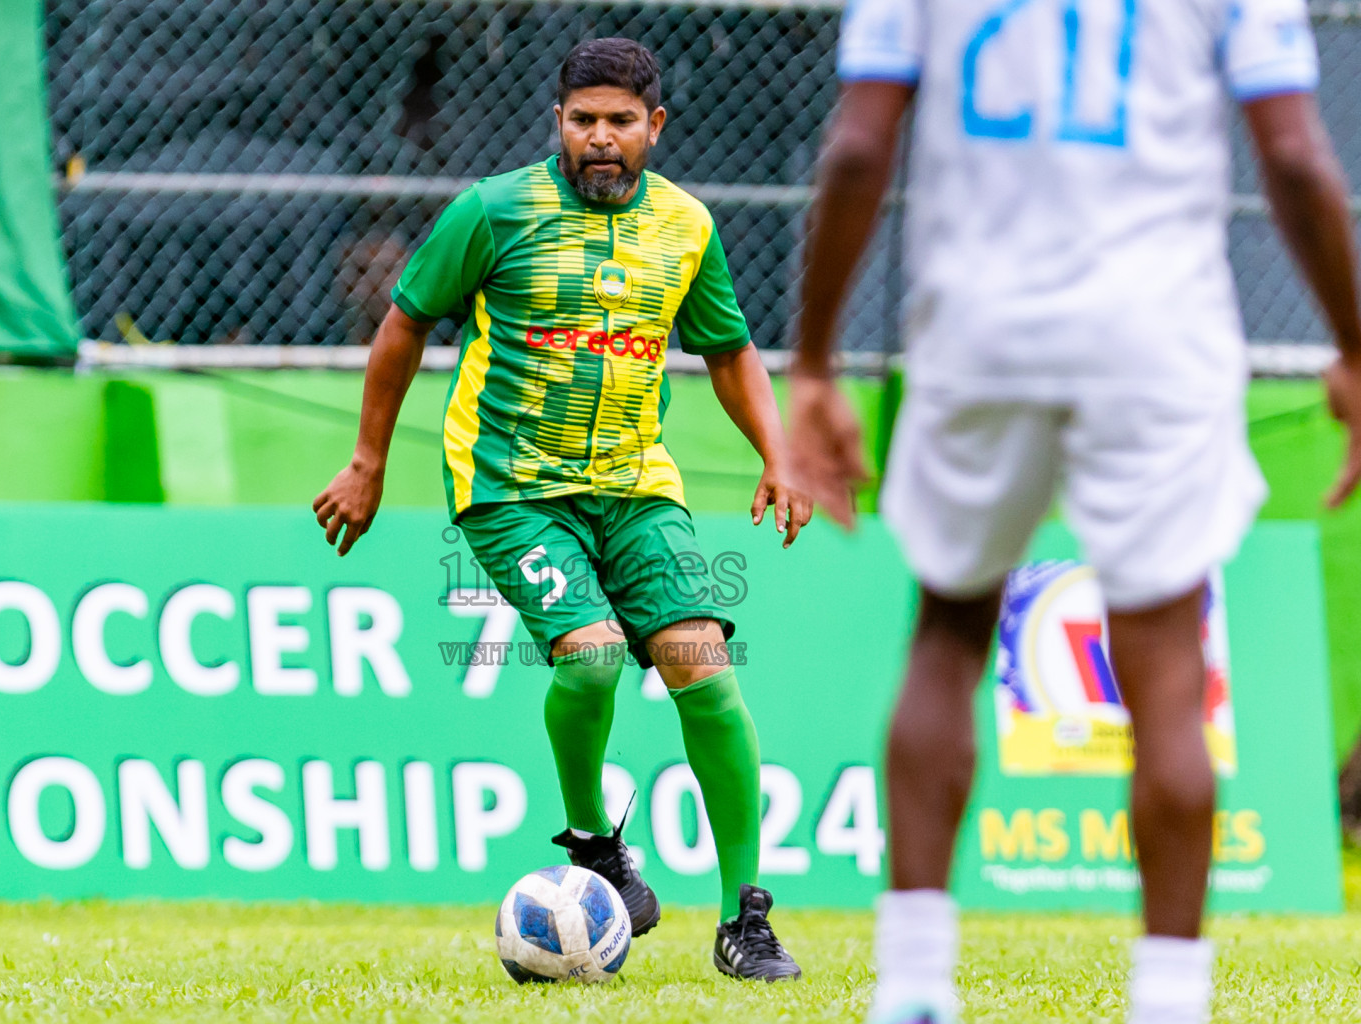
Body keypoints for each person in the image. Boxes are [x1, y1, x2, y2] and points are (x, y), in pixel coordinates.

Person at [788, 0, 1361, 1021]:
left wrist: (820, 360)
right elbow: (1299, 159)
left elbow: (857, 150)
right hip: (1157, 336)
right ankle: (1169, 998)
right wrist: (1355, 345)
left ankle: (915, 985)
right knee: (1169, 674)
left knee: (950, 635)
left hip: (979, 326)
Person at [313, 36, 809, 981]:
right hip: (510, 488)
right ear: (558, 125)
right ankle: (593, 847)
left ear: (654, 127)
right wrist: (368, 459)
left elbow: (732, 350)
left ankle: (747, 918)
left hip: (636, 485)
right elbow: (406, 321)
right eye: (583, 121)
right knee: (592, 662)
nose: (601, 139)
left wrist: (777, 458)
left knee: (704, 668)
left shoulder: (686, 227)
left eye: (621, 121)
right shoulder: (492, 212)